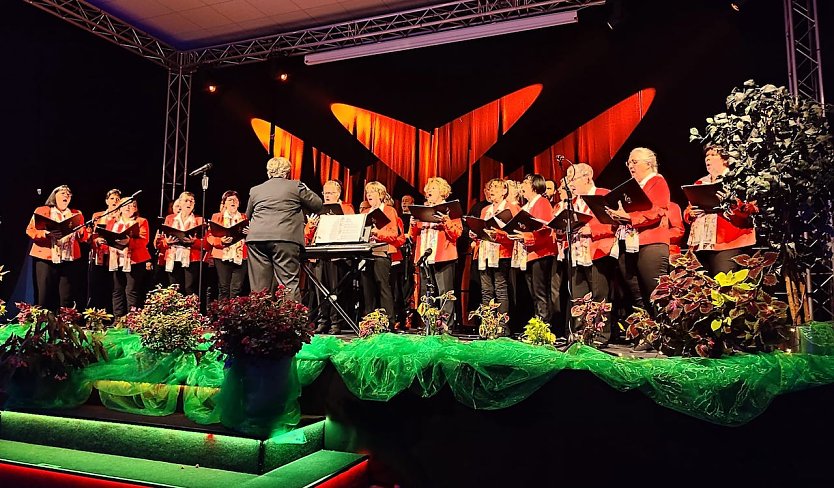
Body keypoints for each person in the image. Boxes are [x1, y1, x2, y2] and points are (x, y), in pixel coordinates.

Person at [606, 148, 671, 338]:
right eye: (629, 162)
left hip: (651, 243)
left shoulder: (656, 181)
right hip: (630, 243)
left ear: (649, 163)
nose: (630, 166)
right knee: (636, 294)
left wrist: (629, 217)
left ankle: (666, 335)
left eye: (634, 162)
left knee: (655, 293)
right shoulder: (633, 186)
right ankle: (647, 334)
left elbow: (658, 211)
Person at [245, 157, 322, 300]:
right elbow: (317, 204)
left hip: (257, 239)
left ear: (268, 172)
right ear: (287, 172)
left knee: (259, 288)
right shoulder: (296, 186)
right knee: (288, 284)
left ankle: (259, 314)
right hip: (285, 238)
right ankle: (291, 314)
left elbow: (248, 216)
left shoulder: (255, 190)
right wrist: (305, 188)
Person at [563, 163, 618, 342]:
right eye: (568, 179)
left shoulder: (602, 194)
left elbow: (613, 222)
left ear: (587, 177)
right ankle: (581, 333)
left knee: (599, 294)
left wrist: (591, 229)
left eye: (573, 179)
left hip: (598, 250)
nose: (570, 183)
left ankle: (601, 335)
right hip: (577, 252)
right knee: (579, 295)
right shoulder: (572, 202)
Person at [684, 145, 756, 275]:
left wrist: (731, 203)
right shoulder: (700, 183)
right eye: (707, 156)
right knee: (703, 284)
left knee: (724, 282)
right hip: (701, 244)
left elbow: (750, 208)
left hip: (728, 241)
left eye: (713, 155)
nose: (708, 158)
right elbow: (688, 209)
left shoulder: (737, 181)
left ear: (725, 159)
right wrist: (690, 213)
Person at [410, 177, 462, 329]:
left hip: (443, 256)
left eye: (433, 188)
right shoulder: (422, 210)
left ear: (442, 191)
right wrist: (413, 225)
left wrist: (446, 221)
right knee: (427, 292)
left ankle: (445, 326)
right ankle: (429, 325)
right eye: (428, 189)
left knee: (445, 293)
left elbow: (457, 234)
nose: (429, 191)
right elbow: (413, 237)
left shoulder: (451, 210)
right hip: (424, 257)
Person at [26, 185, 88, 310]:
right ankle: (44, 319)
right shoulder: (42, 210)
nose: (66, 195)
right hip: (46, 257)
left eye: (69, 194)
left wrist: (82, 232)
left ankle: (65, 320)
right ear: (54, 196)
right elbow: (30, 230)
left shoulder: (76, 214)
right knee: (45, 294)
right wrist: (45, 233)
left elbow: (84, 237)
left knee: (67, 295)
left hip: (68, 258)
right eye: (63, 193)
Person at [304, 180, 354, 334]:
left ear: (338, 194)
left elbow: (351, 227)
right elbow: (307, 235)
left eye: (331, 193)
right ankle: (323, 321)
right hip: (319, 254)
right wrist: (310, 226)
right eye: (325, 193)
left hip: (336, 255)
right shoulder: (318, 208)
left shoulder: (347, 208)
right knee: (320, 290)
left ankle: (335, 323)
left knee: (334, 290)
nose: (327, 196)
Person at [509, 174, 555, 323]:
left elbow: (545, 228)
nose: (522, 186)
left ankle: (544, 325)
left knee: (540, 291)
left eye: (525, 183)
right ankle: (537, 323)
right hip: (529, 253)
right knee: (533, 293)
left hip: (541, 252)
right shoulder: (526, 206)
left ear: (534, 186)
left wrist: (526, 236)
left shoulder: (542, 202)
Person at [474, 179, 520, 324]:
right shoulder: (485, 210)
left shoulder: (511, 208)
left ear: (504, 191)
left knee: (501, 289)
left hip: (502, 253)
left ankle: (501, 326)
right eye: (490, 188)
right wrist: (475, 234)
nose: (491, 191)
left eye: (496, 188)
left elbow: (515, 233)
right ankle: (488, 325)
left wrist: (498, 234)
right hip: (485, 252)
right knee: (486, 290)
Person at [361, 181, 402, 322]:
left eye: (372, 192)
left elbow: (393, 234)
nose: (369, 195)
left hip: (382, 252)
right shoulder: (365, 213)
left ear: (381, 194)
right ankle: (370, 321)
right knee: (367, 288)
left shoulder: (389, 211)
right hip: (366, 253)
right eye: (368, 192)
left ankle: (389, 320)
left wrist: (377, 233)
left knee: (382, 285)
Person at [106, 198, 150, 317]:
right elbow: (108, 237)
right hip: (116, 260)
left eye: (132, 205)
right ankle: (118, 318)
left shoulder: (141, 221)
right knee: (117, 289)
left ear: (135, 209)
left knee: (131, 290)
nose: (128, 207)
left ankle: (132, 319)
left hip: (134, 260)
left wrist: (128, 241)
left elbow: (144, 241)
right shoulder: (113, 222)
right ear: (120, 208)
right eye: (125, 205)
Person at [157, 191, 205, 296]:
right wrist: (167, 242)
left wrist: (194, 241)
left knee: (190, 287)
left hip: (192, 257)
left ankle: (192, 307)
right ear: (180, 203)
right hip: (173, 256)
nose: (189, 203)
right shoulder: (170, 218)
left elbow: (205, 243)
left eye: (192, 201)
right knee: (174, 288)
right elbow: (162, 240)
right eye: (186, 200)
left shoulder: (199, 220)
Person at [206, 190, 249, 300]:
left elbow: (251, 237)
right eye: (230, 200)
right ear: (224, 203)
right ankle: (222, 310)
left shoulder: (244, 217)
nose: (233, 202)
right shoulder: (217, 217)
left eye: (235, 200)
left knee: (236, 288)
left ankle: (233, 310)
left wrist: (249, 233)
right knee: (224, 287)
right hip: (222, 255)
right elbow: (209, 237)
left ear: (239, 203)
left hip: (241, 255)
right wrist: (221, 241)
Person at [88, 188, 122, 311]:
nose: (115, 201)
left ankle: (112, 312)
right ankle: (96, 313)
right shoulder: (98, 216)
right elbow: (91, 233)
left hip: (115, 254)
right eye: (112, 198)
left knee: (113, 285)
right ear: (107, 201)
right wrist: (95, 240)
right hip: (99, 253)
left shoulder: (122, 216)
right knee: (97, 284)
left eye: (117, 199)